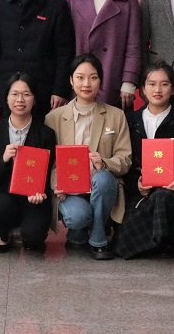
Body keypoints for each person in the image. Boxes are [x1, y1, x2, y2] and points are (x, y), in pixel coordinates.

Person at [114, 61, 174, 259]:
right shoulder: (130, 121)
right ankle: (158, 242)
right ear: (142, 89)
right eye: (151, 84)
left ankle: (157, 241)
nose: (157, 89)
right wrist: (136, 183)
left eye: (164, 84)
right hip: (140, 195)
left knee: (163, 198)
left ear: (172, 89)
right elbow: (122, 159)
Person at [45, 54, 132, 260]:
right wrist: (56, 184)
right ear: (71, 80)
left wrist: (105, 163)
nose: (86, 84)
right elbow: (48, 163)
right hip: (70, 190)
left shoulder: (116, 115)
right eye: (80, 77)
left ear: (100, 81)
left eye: (93, 78)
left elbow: (125, 158)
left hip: (101, 186)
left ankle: (98, 238)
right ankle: (79, 229)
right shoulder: (53, 118)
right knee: (78, 217)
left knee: (103, 179)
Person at [0, 72, 57, 253]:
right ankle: (4, 234)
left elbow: (48, 173)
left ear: (35, 99)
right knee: (1, 206)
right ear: (6, 99)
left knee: (34, 239)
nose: (20, 100)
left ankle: (29, 231)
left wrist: (40, 192)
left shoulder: (46, 134)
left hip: (33, 199)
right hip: (3, 196)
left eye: (26, 94)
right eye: (14, 94)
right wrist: (4, 159)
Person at [66, 0, 141, 110]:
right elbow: (64, 41)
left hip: (113, 79)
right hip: (79, 78)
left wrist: (129, 81)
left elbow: (134, 44)